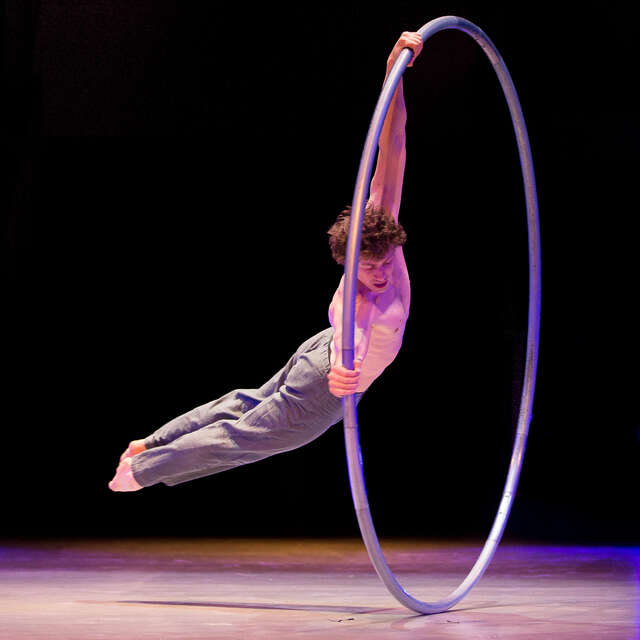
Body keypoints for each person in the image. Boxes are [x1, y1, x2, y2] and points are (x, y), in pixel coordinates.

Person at [109, 31, 423, 492]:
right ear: (347, 264)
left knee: (247, 404)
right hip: (330, 370)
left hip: (320, 352)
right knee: (248, 437)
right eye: (367, 267)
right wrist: (343, 371)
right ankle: (141, 472)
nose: (379, 274)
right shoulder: (356, 303)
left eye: (384, 262)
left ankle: (149, 446)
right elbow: (351, 335)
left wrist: (394, 71)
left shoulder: (381, 225)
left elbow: (393, 143)